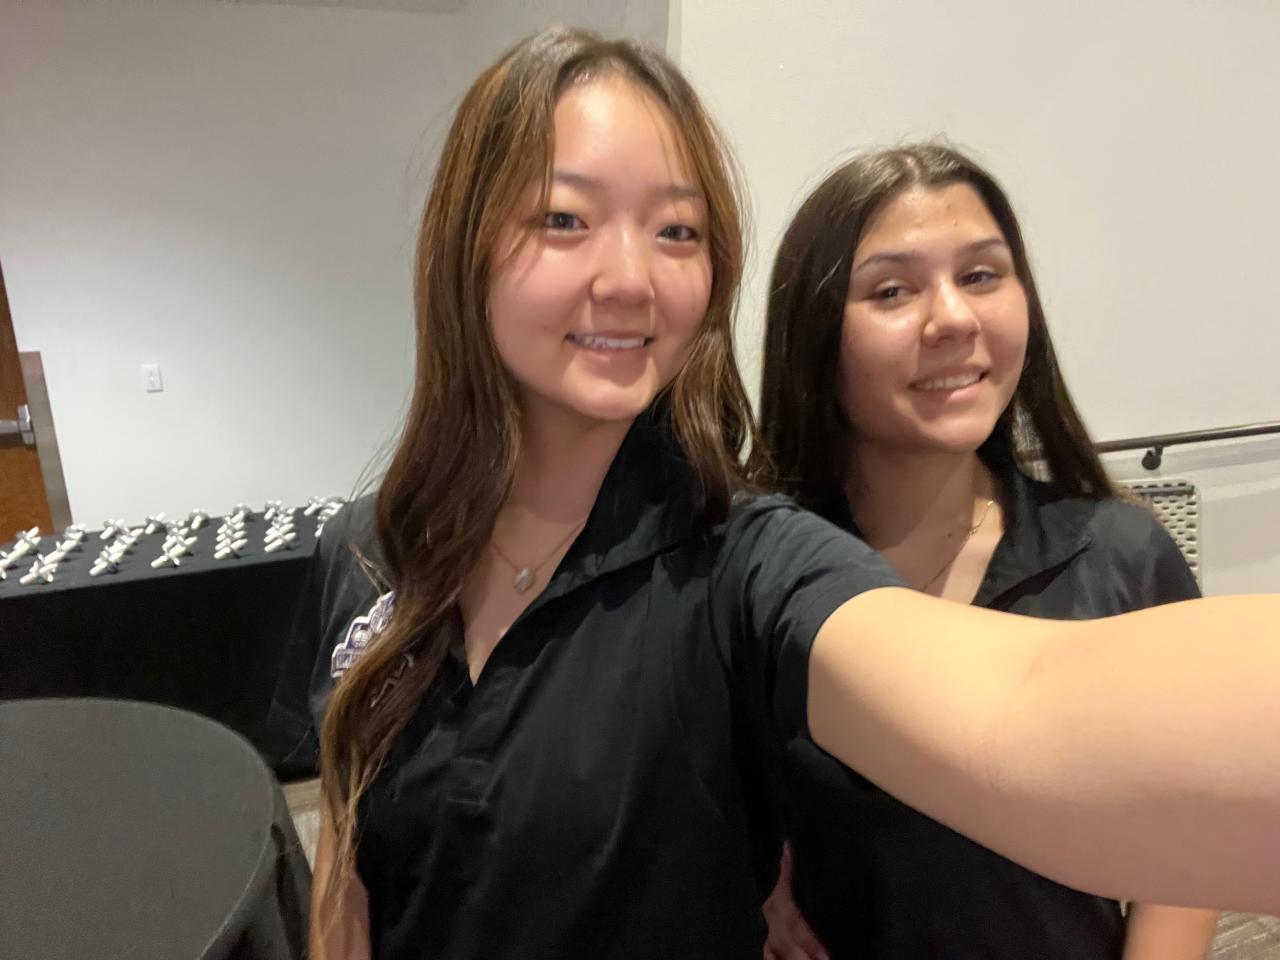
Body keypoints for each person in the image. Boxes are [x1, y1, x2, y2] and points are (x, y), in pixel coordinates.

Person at [280, 28, 1280, 960]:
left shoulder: (745, 563)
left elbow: (1018, 713)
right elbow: (349, 853)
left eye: (677, 230)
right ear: (464, 244)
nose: (629, 278)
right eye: (564, 219)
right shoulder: (369, 545)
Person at [756, 143, 1220, 960]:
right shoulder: (758, 574)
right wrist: (754, 885)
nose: (954, 320)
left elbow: (1189, 837)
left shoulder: (1118, 555)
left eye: (980, 276)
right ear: (815, 334)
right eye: (892, 291)